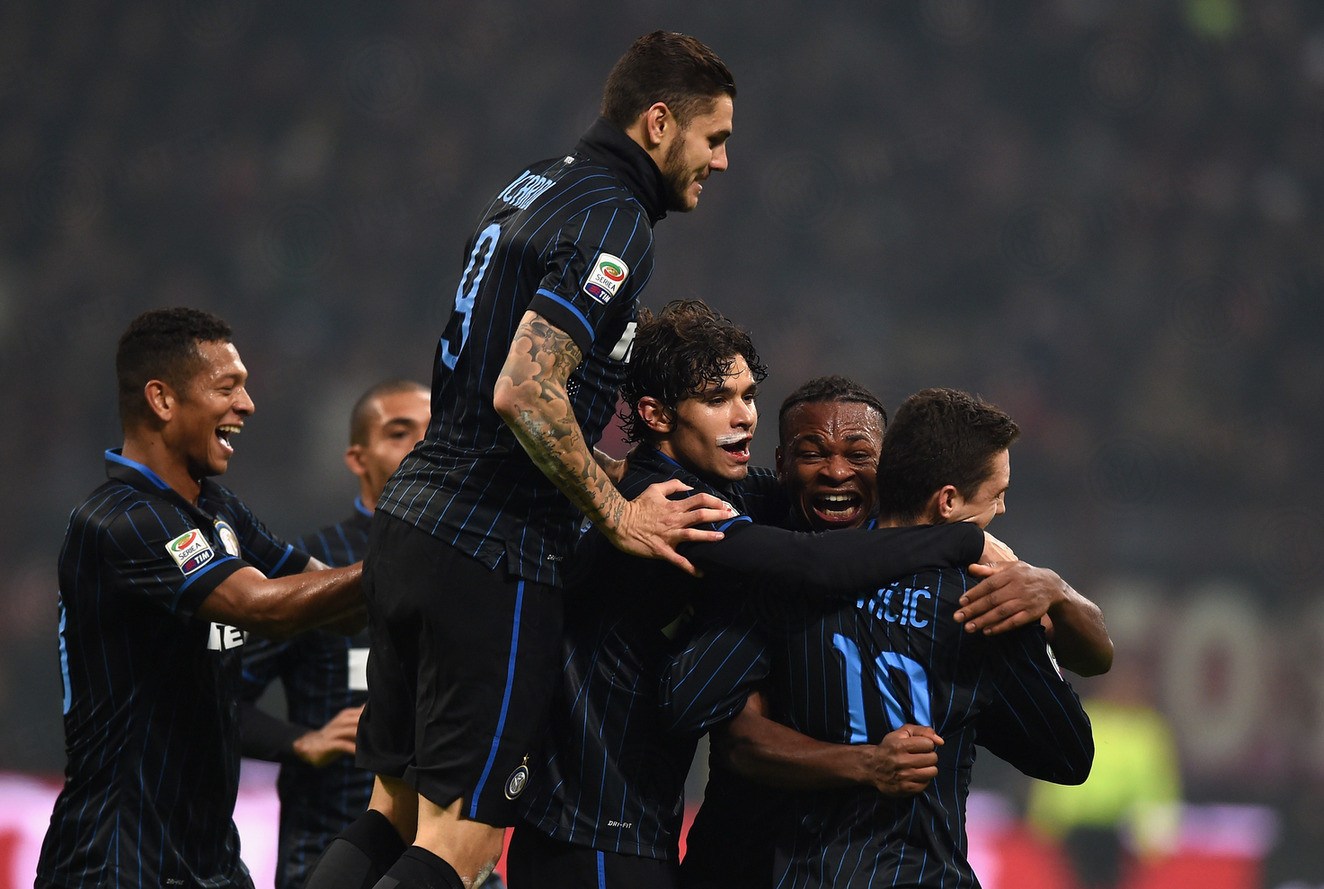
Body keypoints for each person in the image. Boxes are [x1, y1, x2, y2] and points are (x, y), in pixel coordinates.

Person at [302, 32, 741, 889]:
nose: (723, 161)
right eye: (714, 137)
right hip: (491, 547)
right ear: (659, 123)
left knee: (394, 810)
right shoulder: (616, 218)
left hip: (414, 518)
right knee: (464, 841)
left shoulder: (533, 183)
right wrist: (617, 515)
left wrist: (612, 459)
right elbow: (524, 391)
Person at [506, 302, 990, 889]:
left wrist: (973, 533)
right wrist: (961, 539)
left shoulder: (712, 485)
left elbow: (818, 492)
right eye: (717, 399)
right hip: (590, 828)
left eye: (749, 395)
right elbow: (812, 564)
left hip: (620, 824)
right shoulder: (669, 503)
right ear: (657, 414)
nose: (745, 417)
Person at [677, 376, 1112, 889]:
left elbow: (690, 702)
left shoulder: (781, 585)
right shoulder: (981, 597)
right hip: (848, 868)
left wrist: (1054, 590)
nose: (837, 471)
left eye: (858, 455)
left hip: (810, 873)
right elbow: (1069, 755)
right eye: (997, 496)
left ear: (886, 468)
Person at [35, 307, 366, 889]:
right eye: (227, 387)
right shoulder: (120, 521)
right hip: (117, 859)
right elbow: (262, 606)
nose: (248, 404)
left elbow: (333, 602)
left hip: (209, 858)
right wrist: (400, 561)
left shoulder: (217, 509)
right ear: (162, 400)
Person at [236, 380, 432, 889]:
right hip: (330, 852)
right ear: (357, 458)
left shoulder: (476, 559)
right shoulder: (313, 564)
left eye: (434, 432)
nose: (421, 444)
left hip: (445, 853)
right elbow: (219, 700)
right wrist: (301, 741)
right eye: (399, 432)